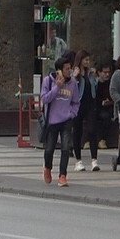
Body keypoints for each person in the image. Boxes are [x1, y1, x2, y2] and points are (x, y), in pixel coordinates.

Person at [40, 54, 81, 187]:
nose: (69, 71)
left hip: (66, 120)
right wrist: (57, 87)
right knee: (49, 149)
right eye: (66, 69)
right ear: (59, 70)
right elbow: (45, 99)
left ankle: (63, 175)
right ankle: (47, 168)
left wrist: (72, 113)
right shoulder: (48, 81)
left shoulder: (73, 83)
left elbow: (76, 101)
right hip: (52, 121)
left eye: (70, 68)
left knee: (65, 148)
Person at [70, 52, 104, 171]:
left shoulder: (90, 73)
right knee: (77, 132)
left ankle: (94, 160)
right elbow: (71, 86)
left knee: (92, 130)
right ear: (80, 60)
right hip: (78, 105)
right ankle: (78, 161)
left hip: (90, 104)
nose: (87, 62)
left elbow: (95, 87)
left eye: (88, 60)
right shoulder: (75, 73)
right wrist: (75, 76)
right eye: (85, 60)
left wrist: (96, 78)